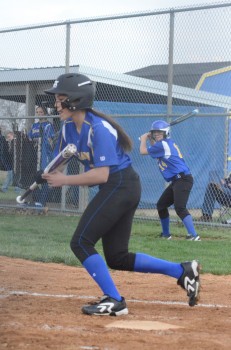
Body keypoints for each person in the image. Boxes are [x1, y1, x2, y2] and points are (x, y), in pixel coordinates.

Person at [42, 73, 201, 316]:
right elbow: (60, 161)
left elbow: (101, 175)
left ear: (77, 99)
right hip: (118, 188)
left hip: (120, 185)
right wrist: (46, 173)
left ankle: (115, 300)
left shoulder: (99, 128)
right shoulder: (67, 129)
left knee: (81, 242)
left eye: (60, 98)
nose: (56, 103)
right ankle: (182, 271)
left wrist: (64, 180)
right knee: (117, 257)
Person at [140, 120, 201, 241]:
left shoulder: (163, 145)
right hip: (177, 180)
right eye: (155, 133)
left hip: (183, 179)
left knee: (180, 208)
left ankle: (194, 236)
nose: (157, 134)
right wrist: (150, 139)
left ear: (166, 133)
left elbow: (142, 151)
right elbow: (154, 149)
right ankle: (166, 234)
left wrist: (143, 139)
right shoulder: (163, 144)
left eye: (159, 132)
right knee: (161, 205)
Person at [28, 106, 55, 207]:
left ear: (45, 113)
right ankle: (37, 199)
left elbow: (49, 140)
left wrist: (40, 140)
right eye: (37, 112)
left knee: (44, 176)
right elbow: (30, 136)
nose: (39, 114)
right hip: (34, 154)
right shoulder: (34, 125)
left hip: (44, 155)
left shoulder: (48, 125)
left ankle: (42, 201)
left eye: (41, 112)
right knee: (33, 177)